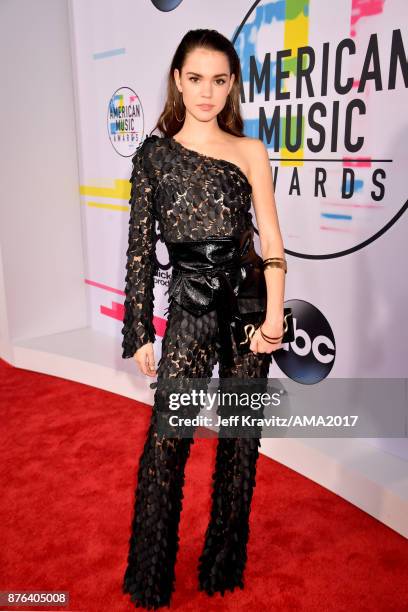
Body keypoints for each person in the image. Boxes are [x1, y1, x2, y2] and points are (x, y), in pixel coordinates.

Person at [121, 29, 287, 610]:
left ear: (232, 85)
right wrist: (139, 328)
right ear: (177, 80)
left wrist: (274, 315)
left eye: (219, 80)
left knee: (241, 442)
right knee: (168, 442)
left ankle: (224, 565)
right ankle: (149, 577)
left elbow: (271, 240)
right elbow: (142, 250)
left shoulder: (251, 151)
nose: (207, 92)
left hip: (246, 308)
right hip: (189, 306)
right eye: (196, 79)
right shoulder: (154, 155)